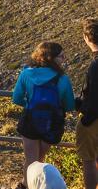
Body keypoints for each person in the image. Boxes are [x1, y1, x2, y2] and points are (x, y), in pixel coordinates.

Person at [12, 42, 75, 189]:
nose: (64, 59)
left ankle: (25, 185)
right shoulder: (62, 79)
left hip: (29, 121)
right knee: (40, 160)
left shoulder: (26, 74)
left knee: (30, 160)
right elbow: (69, 105)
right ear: (50, 58)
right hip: (52, 124)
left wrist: (30, 104)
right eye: (61, 56)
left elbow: (17, 98)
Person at [76, 18, 98, 189]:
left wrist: (86, 119)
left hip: (93, 120)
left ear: (87, 38)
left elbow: (93, 98)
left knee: (89, 161)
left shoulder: (95, 66)